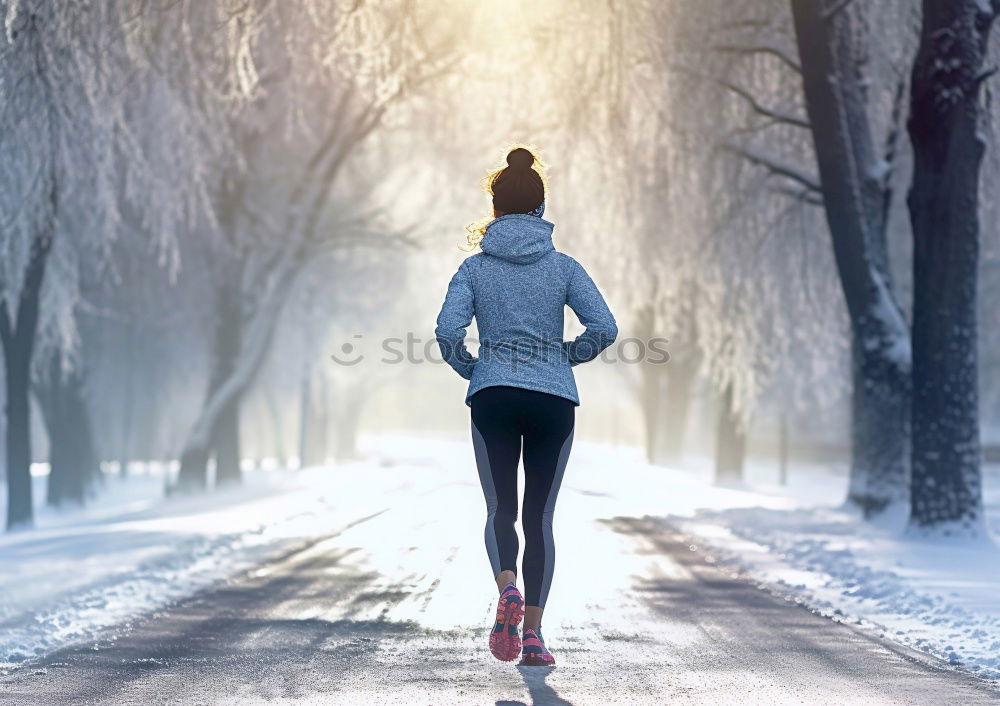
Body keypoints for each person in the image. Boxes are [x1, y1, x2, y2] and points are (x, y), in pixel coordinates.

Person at [435, 146, 618, 667]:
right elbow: (604, 328)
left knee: (501, 509)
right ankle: (534, 635)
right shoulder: (564, 267)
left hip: (492, 396)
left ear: (494, 210)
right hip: (553, 399)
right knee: (540, 517)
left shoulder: (473, 269)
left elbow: (448, 331)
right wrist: (566, 357)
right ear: (541, 209)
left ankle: (506, 586)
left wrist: (474, 368)